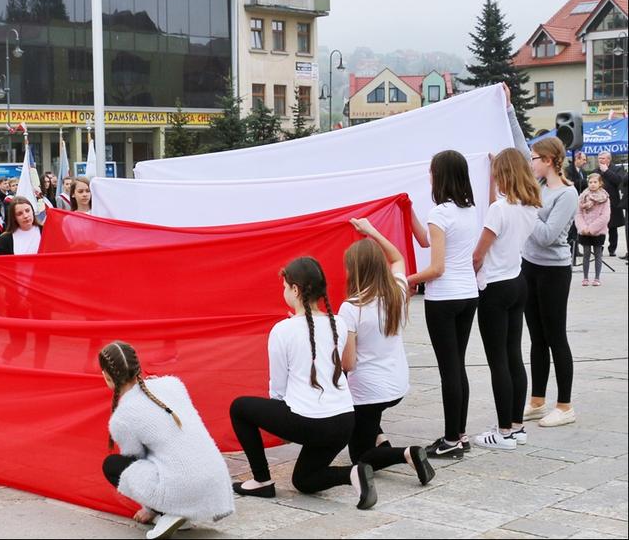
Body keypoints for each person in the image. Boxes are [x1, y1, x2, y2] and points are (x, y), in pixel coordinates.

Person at [230, 257, 377, 510]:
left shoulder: (282, 330)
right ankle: (354, 474)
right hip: (343, 422)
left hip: (311, 423)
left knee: (239, 407)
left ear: (295, 289)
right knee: (304, 480)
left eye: (285, 286)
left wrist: (282, 424)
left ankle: (262, 480)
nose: (284, 291)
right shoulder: (337, 323)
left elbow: (277, 388)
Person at [99, 341, 234, 539]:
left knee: (113, 465)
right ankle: (181, 511)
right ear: (138, 366)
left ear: (107, 377)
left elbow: (137, 463)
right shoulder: (172, 383)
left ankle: (169, 511)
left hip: (184, 486)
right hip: (217, 480)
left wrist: (149, 507)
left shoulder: (122, 417)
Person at [339, 218, 435, 483]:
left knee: (360, 458)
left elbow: (348, 364)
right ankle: (381, 438)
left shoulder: (351, 308)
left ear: (354, 271)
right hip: (397, 384)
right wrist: (371, 231)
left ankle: (407, 453)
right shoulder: (397, 290)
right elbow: (397, 258)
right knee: (369, 422)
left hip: (369, 393)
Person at [408, 150, 479, 459]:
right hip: (468, 294)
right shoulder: (468, 210)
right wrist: (408, 209)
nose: (429, 176)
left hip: (444, 297)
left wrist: (404, 280)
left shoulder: (440, 213)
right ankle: (459, 435)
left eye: (431, 171)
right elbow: (426, 241)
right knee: (457, 366)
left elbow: (436, 268)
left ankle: (451, 440)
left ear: (440, 176)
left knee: (448, 370)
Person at [469, 148, 542, 450]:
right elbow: (494, 209)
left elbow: (478, 254)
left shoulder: (500, 210)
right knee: (513, 356)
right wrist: (490, 177)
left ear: (505, 175)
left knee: (497, 360)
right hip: (517, 282)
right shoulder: (529, 207)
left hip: (495, 288)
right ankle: (516, 426)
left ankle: (502, 432)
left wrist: (470, 271)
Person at [522, 137, 579, 428]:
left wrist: (526, 208)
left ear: (547, 160)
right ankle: (537, 400)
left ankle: (565, 405)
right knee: (536, 337)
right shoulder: (541, 188)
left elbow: (547, 236)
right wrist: (508, 110)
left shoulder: (567, 194)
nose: (529, 162)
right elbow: (517, 142)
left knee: (556, 335)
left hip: (554, 271)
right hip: (529, 266)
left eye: (533, 158)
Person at [575, 173, 610, 286]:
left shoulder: (605, 198)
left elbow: (605, 216)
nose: (593, 184)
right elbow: (578, 214)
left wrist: (592, 228)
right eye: (590, 182)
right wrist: (583, 227)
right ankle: (585, 277)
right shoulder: (582, 196)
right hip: (584, 231)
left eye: (595, 182)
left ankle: (597, 277)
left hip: (598, 231)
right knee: (586, 253)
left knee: (598, 253)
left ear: (600, 183)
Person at [596, 151, 625, 257]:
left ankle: (612, 249)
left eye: (603, 158)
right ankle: (599, 248)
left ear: (609, 159)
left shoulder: (617, 169)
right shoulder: (596, 171)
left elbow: (619, 181)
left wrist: (607, 171)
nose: (600, 160)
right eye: (599, 158)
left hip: (613, 202)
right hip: (599, 203)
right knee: (600, 226)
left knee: (612, 227)